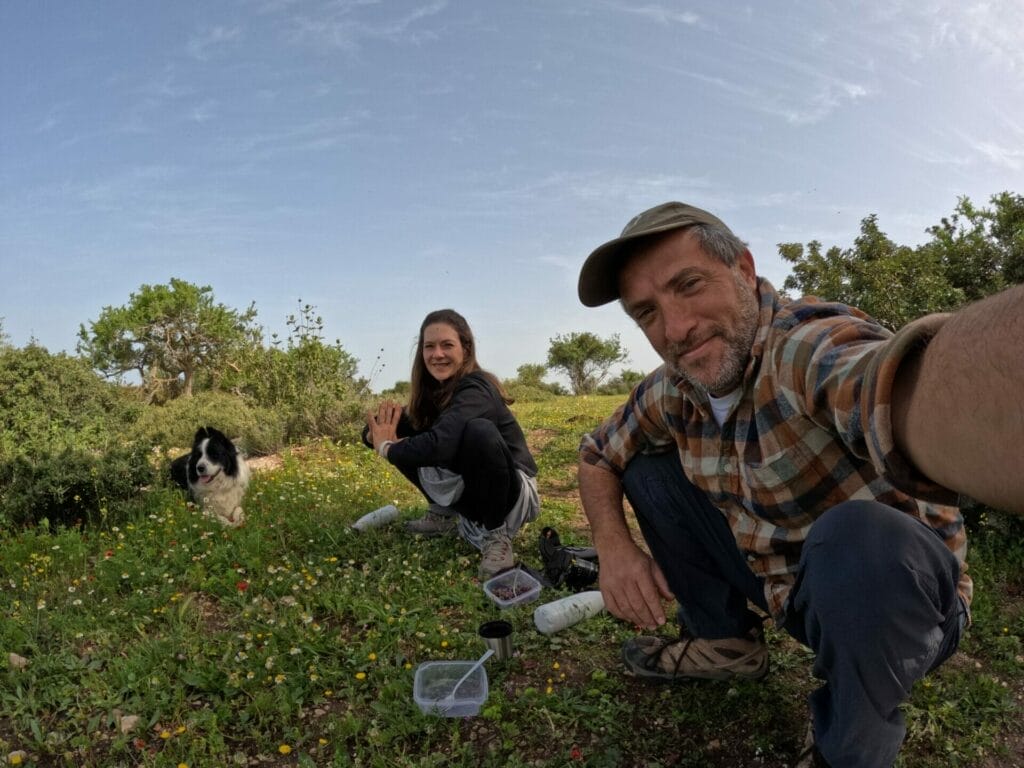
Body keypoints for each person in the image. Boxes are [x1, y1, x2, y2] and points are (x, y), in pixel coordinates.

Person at [575, 202, 1024, 768]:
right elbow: (596, 453)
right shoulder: (674, 387)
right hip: (782, 581)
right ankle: (726, 642)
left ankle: (845, 750)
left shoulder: (800, 347)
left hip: (898, 604)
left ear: (742, 268)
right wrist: (614, 548)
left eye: (688, 285)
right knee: (644, 469)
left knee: (860, 539)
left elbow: (886, 382)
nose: (676, 329)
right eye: (647, 312)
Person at [364, 308, 540, 580]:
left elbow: (441, 445)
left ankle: (497, 537)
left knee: (477, 432)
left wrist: (387, 448)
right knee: (402, 430)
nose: (437, 354)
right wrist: (375, 436)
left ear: (466, 349)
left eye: (447, 345)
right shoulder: (430, 393)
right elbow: (375, 429)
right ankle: (442, 515)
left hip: (511, 495)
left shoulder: (477, 387)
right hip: (473, 491)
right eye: (429, 346)